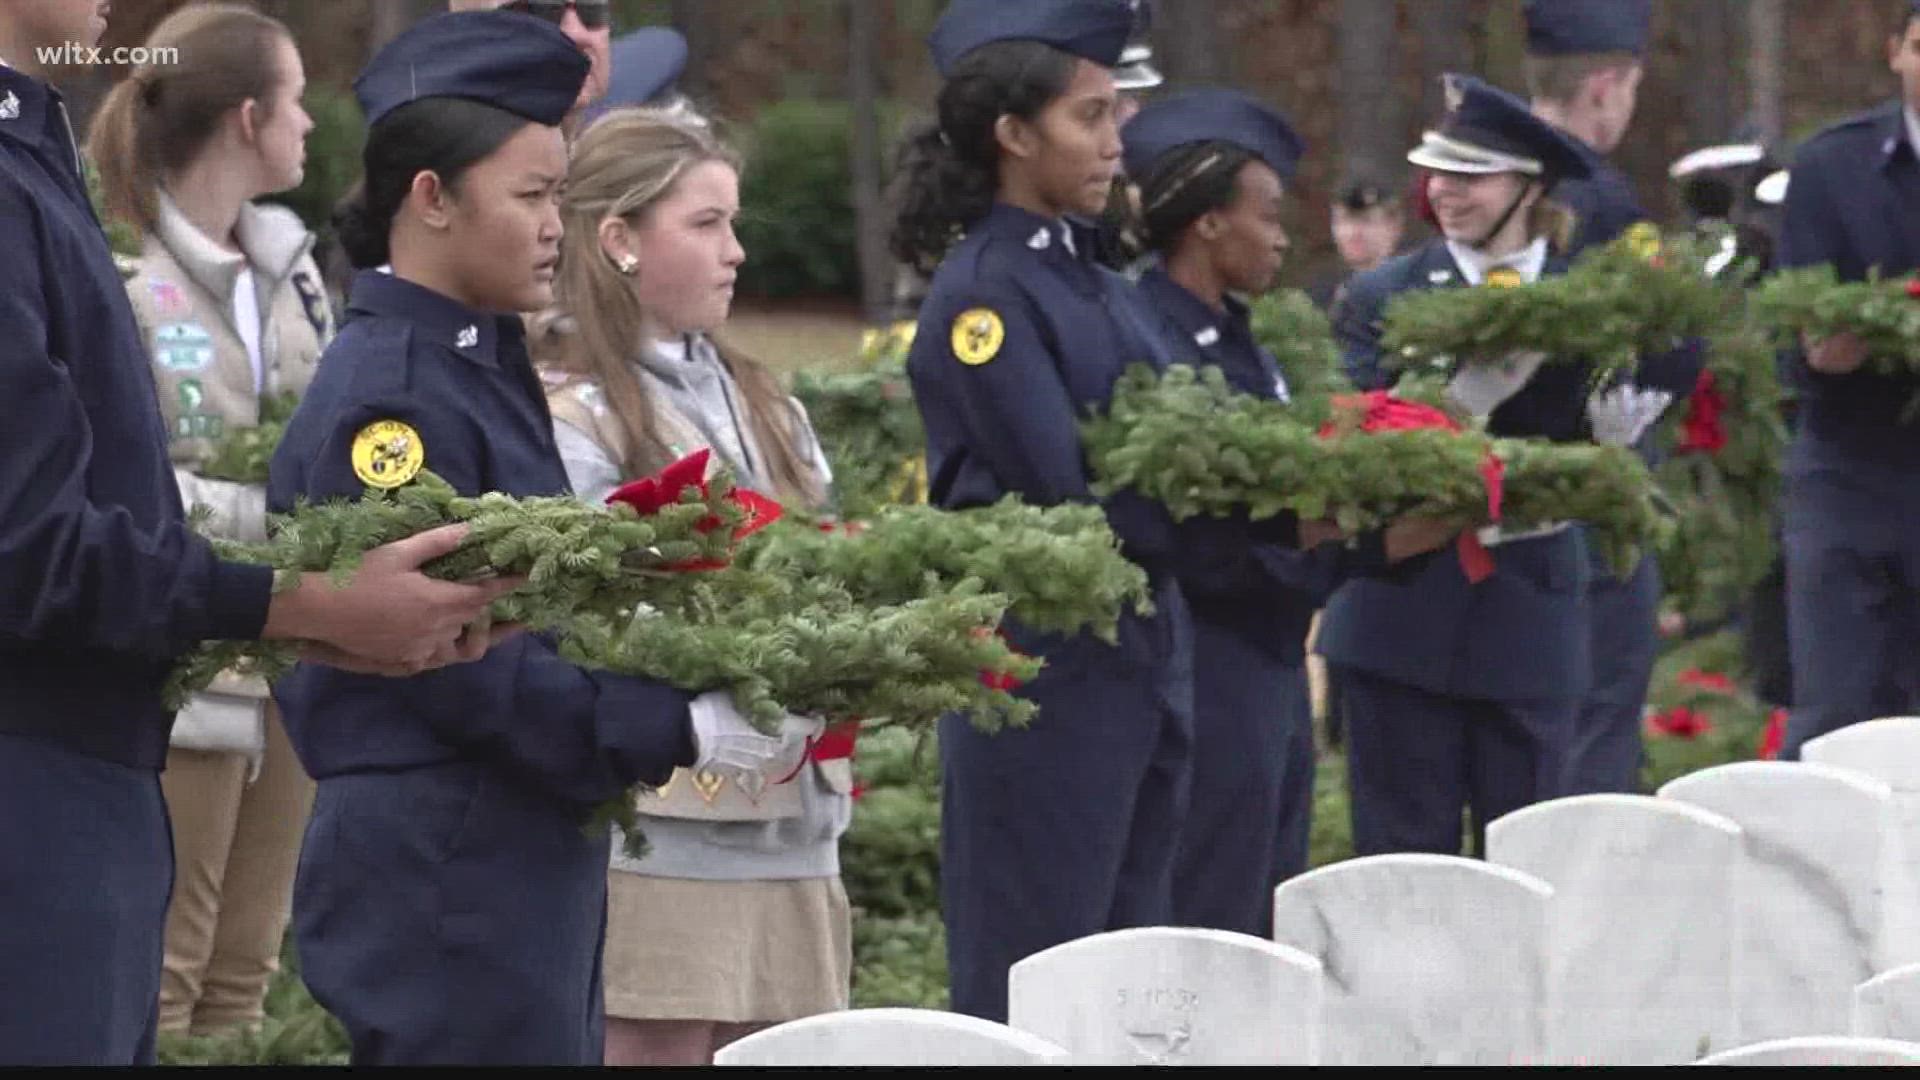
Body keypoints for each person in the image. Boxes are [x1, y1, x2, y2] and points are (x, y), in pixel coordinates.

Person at [265, 11, 812, 1064]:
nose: (559, 224)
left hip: (502, 840)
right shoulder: (397, 399)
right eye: (532, 195)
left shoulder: (468, 360)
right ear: (431, 198)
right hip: (446, 855)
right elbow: (460, 665)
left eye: (559, 192)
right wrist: (677, 728)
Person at [0, 0, 518, 1065]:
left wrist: (306, 619)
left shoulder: (34, 153)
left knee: (232, 972)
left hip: (108, 723)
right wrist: (298, 601)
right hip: (42, 770)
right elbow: (30, 544)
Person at [893, 0, 1281, 1022]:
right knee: (1039, 978)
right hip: (1044, 678)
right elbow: (1069, 497)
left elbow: (1174, 443)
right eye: (1090, 117)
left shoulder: (1092, 277)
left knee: (1129, 986)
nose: (1118, 142)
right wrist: (1263, 528)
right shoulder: (987, 296)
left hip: (1143, 658)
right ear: (1013, 136)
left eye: (1117, 115)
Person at [534, 107, 852, 1066]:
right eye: (706, 224)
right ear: (620, 239)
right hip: (670, 824)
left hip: (796, 821)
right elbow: (595, 617)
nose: (737, 251)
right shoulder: (573, 413)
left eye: (734, 222)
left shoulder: (769, 401)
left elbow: (832, 566)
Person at [1120, 88, 1455, 932]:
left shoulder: (1241, 338)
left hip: (1268, 662)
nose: (1281, 237)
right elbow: (1205, 537)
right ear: (1204, 223)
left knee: (1265, 899)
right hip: (1208, 657)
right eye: (1266, 215)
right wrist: (1359, 544)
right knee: (1209, 915)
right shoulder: (1150, 340)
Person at [85, 3, 331, 1040]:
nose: (313, 125)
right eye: (299, 100)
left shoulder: (296, 264)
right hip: (189, 664)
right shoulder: (127, 271)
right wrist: (270, 522)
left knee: (244, 971)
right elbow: (120, 481)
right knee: (170, 970)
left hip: (299, 649)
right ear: (246, 116)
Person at [1322, 75, 1617, 857]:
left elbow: (1611, 441)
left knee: (1527, 865)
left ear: (1531, 185)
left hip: (1528, 613)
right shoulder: (1383, 293)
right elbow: (1349, 436)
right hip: (1401, 614)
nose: (1443, 192)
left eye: (1470, 176)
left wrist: (1620, 442)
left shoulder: (1585, 299)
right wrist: (1453, 403)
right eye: (1437, 172)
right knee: (1398, 866)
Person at [1524, 0, 1699, 796]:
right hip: (1591, 492)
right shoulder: (1596, 194)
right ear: (1603, 87)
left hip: (1510, 500)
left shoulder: (1499, 171)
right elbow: (1656, 340)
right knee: (1591, 729)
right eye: (1627, 89)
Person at [1774, 0, 1920, 758]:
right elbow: (1805, 329)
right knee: (1836, 712)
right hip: (1851, 466)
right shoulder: (1833, 165)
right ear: (1896, 52)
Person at [1307, 176, 1406, 312]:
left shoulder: (1415, 286)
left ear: (1394, 226)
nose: (1353, 233)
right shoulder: (1321, 294)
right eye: (1343, 220)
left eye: (1366, 221)